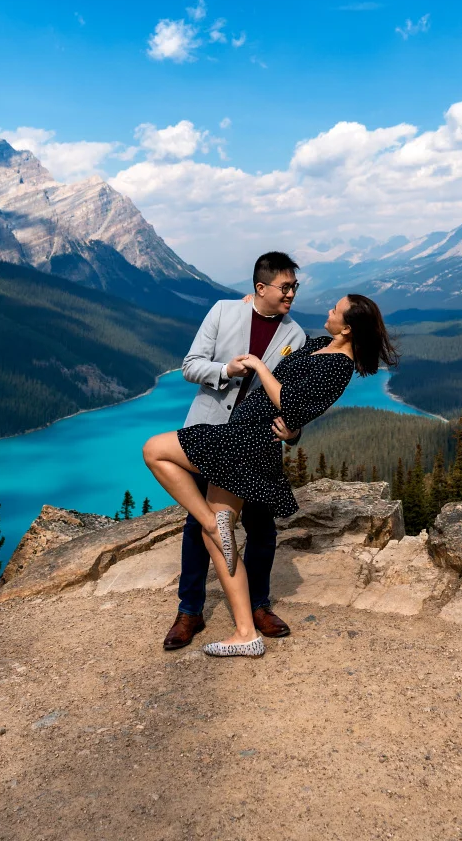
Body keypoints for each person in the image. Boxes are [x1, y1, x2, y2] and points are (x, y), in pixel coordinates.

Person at [143, 292, 397, 657]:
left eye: (334, 310)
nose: (327, 310)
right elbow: (296, 402)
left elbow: (293, 406)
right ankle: (245, 632)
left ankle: (240, 611)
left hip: (248, 440)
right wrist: (251, 301)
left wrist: (262, 370)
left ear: (347, 328)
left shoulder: (338, 365)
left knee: (155, 450)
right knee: (217, 535)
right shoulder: (323, 345)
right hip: (247, 435)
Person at [162, 252, 310, 652]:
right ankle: (189, 610)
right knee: (199, 526)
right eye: (285, 287)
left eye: (295, 286)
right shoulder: (224, 311)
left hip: (256, 443)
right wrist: (225, 370)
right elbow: (190, 366)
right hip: (207, 433)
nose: (291, 294)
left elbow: (294, 400)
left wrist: (292, 432)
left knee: (261, 527)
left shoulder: (296, 337)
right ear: (260, 288)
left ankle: (259, 606)